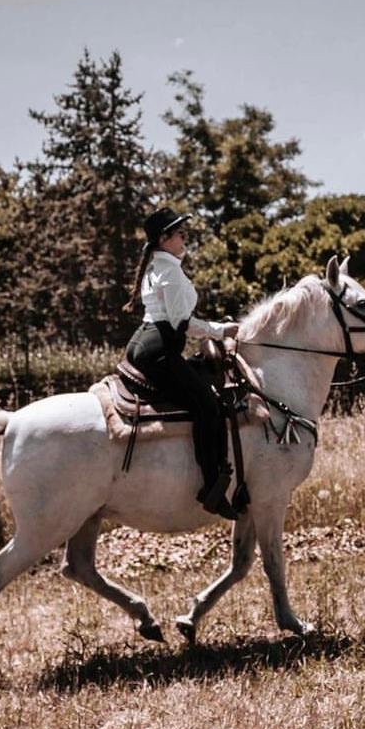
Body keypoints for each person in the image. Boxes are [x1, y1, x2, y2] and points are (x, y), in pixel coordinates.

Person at [123, 207, 240, 519]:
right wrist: (220, 329)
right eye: (179, 233)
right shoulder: (170, 271)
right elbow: (180, 322)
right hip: (159, 349)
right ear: (164, 239)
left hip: (145, 342)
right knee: (208, 406)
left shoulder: (158, 265)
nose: (184, 237)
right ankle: (212, 487)